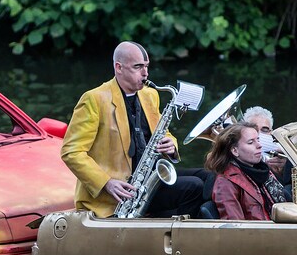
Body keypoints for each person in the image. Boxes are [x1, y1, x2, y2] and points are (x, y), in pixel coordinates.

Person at [61, 41, 204, 218]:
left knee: (207, 176)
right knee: (194, 187)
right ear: (118, 67)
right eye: (138, 67)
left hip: (146, 178)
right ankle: (177, 236)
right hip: (120, 191)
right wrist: (107, 182)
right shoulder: (94, 99)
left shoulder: (149, 94)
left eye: (146, 66)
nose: (145, 74)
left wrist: (171, 145)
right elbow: (71, 152)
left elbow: (162, 131)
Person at [205, 122, 288, 220]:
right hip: (261, 234)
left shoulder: (264, 171)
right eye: (250, 142)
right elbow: (236, 227)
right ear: (235, 150)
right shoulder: (225, 183)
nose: (259, 145)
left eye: (258, 139)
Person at [243, 105, 285, 177]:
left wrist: (284, 170)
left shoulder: (280, 153)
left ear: (271, 132)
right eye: (254, 129)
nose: (259, 134)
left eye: (265, 130)